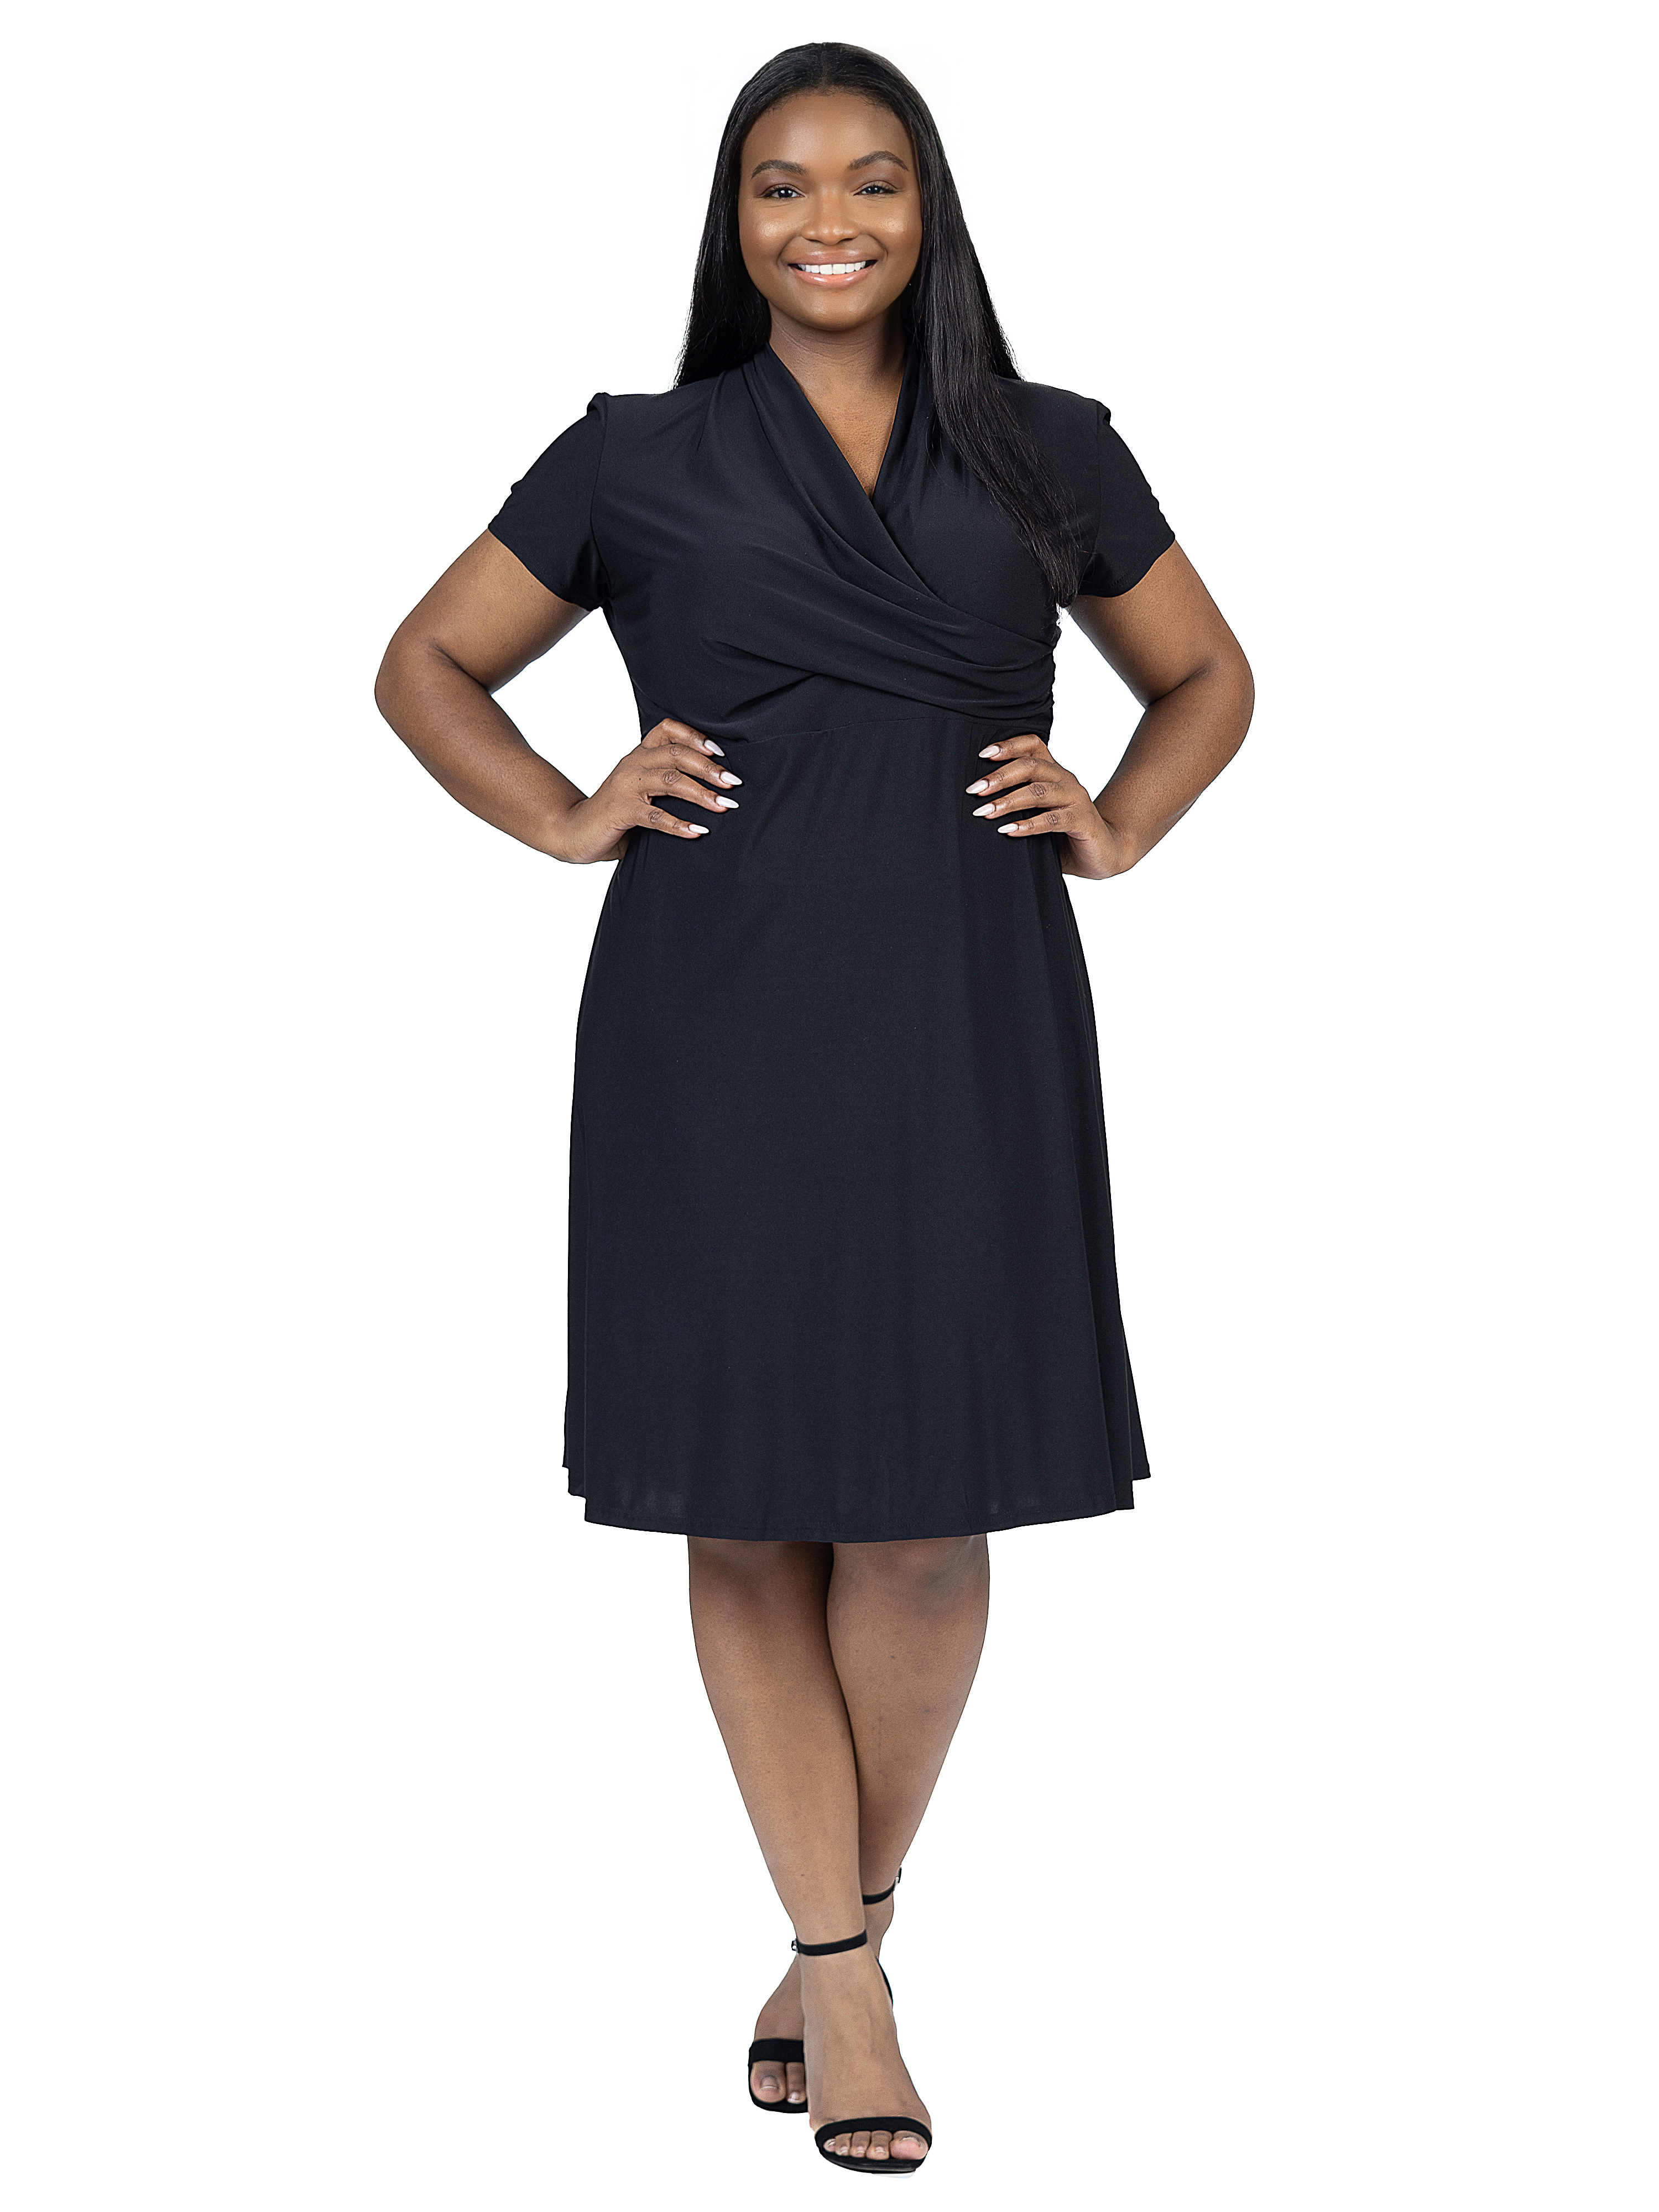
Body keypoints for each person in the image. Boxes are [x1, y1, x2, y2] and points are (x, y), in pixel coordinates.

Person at [375, 41, 1252, 2176]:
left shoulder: (1045, 444)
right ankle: (844, 1974)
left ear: (928, 208)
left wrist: (1122, 817)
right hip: (713, 1020)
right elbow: (422, 665)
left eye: (872, 181)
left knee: (931, 1519)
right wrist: (566, 812)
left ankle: (837, 1921)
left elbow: (1208, 676)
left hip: (968, 1008)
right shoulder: (635, 452)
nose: (828, 220)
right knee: (749, 1502)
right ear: (735, 219)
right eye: (782, 186)